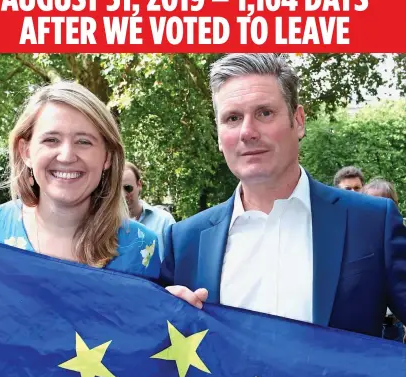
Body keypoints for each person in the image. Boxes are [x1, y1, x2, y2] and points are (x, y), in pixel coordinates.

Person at [162, 53, 406, 337]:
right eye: (232, 118)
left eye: (264, 113)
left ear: (298, 120)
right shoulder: (184, 242)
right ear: (218, 134)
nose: (247, 132)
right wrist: (162, 318)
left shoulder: (372, 222)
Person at [0, 82, 160, 280]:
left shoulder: (140, 247)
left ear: (107, 157)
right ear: (25, 151)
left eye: (84, 142)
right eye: (51, 140)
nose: (66, 156)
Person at [361, 177, 404, 342]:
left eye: (384, 203)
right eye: (372, 202)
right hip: (366, 329)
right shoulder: (353, 241)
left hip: (395, 327)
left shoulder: (400, 240)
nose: (377, 209)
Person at [122, 162, 175, 260]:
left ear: (139, 185)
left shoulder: (164, 221)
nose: (123, 194)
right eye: (117, 190)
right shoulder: (105, 225)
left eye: (127, 188)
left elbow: (177, 261)